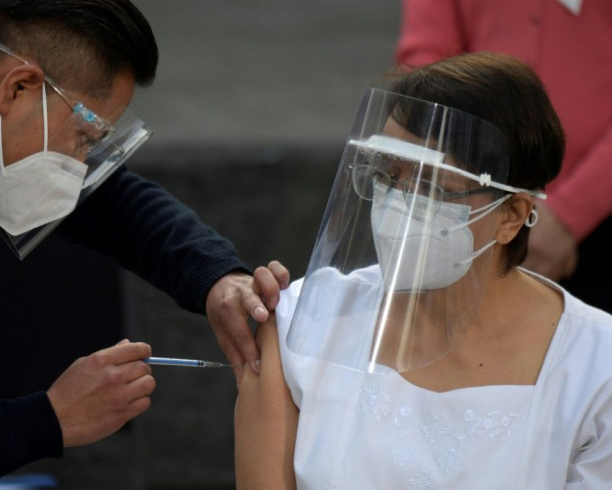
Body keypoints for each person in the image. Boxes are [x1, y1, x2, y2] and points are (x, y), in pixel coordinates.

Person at [0, 0, 287, 487]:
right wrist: (46, 421)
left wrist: (218, 277)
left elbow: (112, 203)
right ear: (18, 88)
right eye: (83, 140)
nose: (76, 175)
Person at [235, 52, 612, 489]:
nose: (399, 202)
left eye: (432, 186)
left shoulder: (596, 367)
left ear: (512, 214)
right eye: (387, 174)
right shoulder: (304, 321)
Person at [395, 0, 612, 313]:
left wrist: (570, 215)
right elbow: (426, 64)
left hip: (598, 215)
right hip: (468, 201)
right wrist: (460, 187)